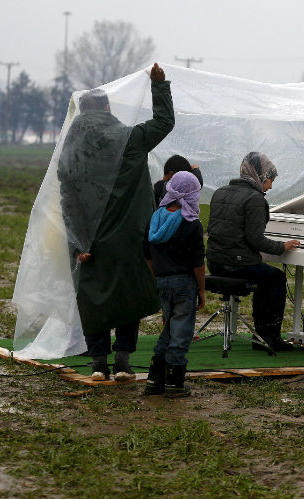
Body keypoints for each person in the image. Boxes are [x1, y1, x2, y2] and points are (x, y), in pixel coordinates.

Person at [57, 63, 174, 381]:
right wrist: (159, 86)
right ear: (108, 108)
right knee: (127, 295)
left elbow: (67, 198)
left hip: (89, 240)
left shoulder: (73, 150)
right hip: (131, 238)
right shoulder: (130, 139)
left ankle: (98, 363)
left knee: (93, 297)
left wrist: (77, 242)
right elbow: (164, 122)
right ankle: (123, 361)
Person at [205, 152, 301, 352]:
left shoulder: (220, 192)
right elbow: (255, 239)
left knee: (264, 274)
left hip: (214, 261)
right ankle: (268, 336)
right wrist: (282, 247)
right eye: (270, 180)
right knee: (275, 277)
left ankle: (261, 334)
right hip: (236, 265)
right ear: (260, 176)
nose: (270, 186)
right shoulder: (255, 198)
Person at [142, 170, 206, 398]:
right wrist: (201, 289)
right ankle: (174, 383)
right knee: (181, 332)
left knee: (168, 329)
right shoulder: (191, 223)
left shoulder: (155, 218)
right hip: (184, 283)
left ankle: (154, 380)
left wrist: (157, 276)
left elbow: (147, 253)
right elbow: (198, 262)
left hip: (162, 281)